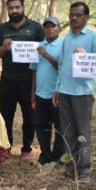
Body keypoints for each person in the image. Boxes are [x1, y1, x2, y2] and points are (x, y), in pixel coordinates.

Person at [52, 2, 96, 184]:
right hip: (65, 91)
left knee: (83, 132)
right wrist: (58, 88)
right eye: (71, 14)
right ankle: (70, 166)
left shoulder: (93, 37)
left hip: (82, 92)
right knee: (68, 131)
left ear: (86, 17)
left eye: (78, 15)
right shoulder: (67, 38)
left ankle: (84, 170)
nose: (74, 18)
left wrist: (85, 55)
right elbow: (61, 65)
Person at [0, 0, 44, 160]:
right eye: (11, 8)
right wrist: (3, 47)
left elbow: (45, 48)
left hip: (29, 79)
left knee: (30, 115)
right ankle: (6, 146)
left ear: (23, 8)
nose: (14, 10)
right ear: (7, 10)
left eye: (17, 7)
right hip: (7, 78)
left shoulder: (35, 27)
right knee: (5, 115)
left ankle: (26, 148)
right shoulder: (2, 28)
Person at [29, 16, 64, 165]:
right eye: (47, 27)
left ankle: (57, 158)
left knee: (60, 128)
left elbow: (63, 68)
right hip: (40, 94)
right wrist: (33, 93)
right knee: (41, 127)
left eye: (53, 26)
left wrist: (46, 55)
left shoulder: (63, 45)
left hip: (57, 94)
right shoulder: (38, 45)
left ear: (59, 29)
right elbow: (34, 70)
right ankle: (45, 156)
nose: (50, 29)